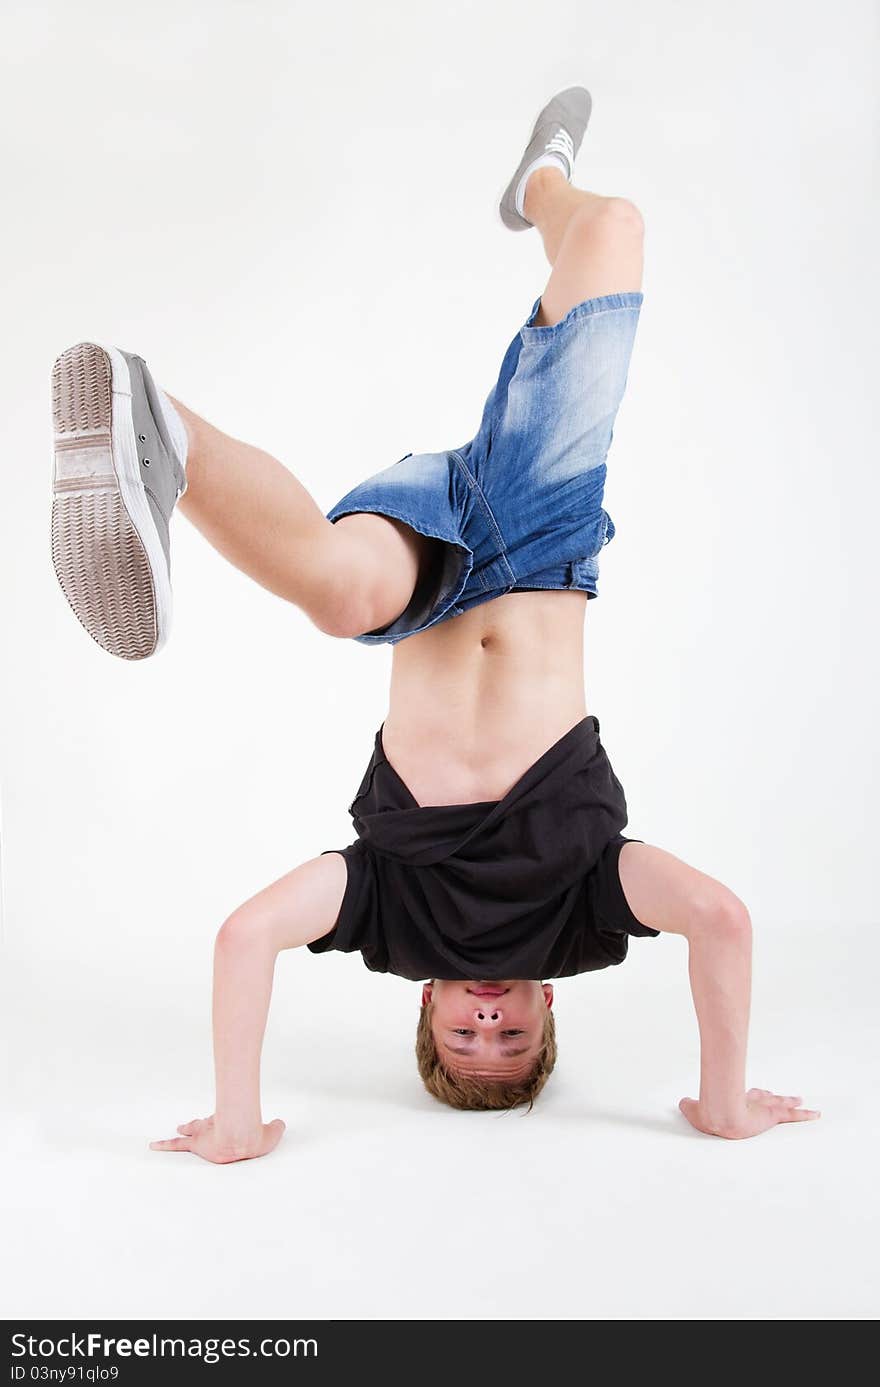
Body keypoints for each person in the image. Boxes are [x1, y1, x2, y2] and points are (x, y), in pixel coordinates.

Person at [49, 88, 818, 1163]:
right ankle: (541, 181)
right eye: (511, 1034)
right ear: (552, 1006)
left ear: (425, 1008)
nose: (489, 1016)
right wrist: (721, 1099)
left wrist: (237, 1119)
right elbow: (722, 919)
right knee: (611, 229)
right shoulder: (590, 910)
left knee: (344, 597)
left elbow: (247, 934)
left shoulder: (391, 921)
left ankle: (158, 426)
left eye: (466, 1034)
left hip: (424, 568)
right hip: (544, 537)